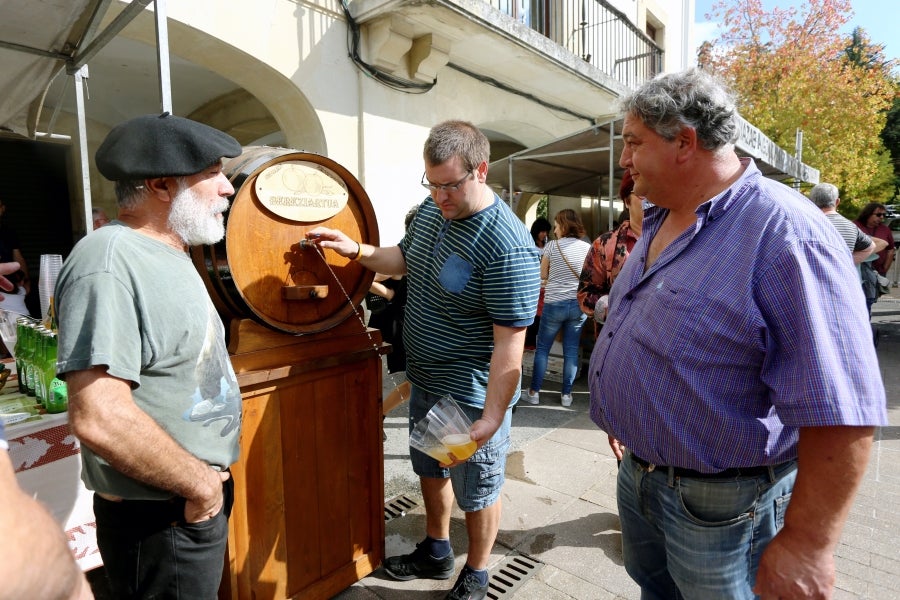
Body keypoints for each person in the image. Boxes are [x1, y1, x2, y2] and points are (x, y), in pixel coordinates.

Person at [588, 69, 886, 599]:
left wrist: (807, 544)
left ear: (685, 142)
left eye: (633, 142)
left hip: (722, 507)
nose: (623, 160)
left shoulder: (785, 232)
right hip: (643, 478)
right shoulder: (661, 218)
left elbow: (842, 410)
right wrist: (633, 414)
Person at [308, 120, 540, 600]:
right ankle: (437, 550)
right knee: (432, 468)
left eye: (449, 185)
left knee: (476, 488)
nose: (440, 196)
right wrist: (358, 251)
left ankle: (476, 572)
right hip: (427, 379)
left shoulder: (508, 248)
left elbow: (509, 346)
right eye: (431, 184)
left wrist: (493, 416)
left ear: (481, 170)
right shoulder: (433, 214)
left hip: (468, 393)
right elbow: (403, 260)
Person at [55, 113, 243, 599]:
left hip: (187, 501)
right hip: (162, 515)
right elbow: (99, 417)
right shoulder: (109, 260)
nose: (227, 188)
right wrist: (201, 487)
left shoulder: (171, 252)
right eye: (213, 173)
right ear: (161, 185)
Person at [524, 209, 590, 407]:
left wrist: (553, 278)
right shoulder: (587, 247)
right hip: (577, 306)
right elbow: (588, 277)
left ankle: (534, 392)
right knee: (571, 351)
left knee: (542, 349)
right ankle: (566, 396)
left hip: (554, 304)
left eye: (556, 225)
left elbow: (542, 274)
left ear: (563, 225)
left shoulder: (552, 247)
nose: (554, 230)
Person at [577, 170, 643, 336]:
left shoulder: (675, 240)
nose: (651, 200)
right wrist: (614, 307)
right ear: (627, 201)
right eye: (642, 194)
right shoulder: (604, 244)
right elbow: (586, 293)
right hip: (616, 338)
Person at [368, 205, 420, 417]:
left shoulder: (418, 254)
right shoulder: (405, 256)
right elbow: (368, 279)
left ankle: (377, 414)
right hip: (404, 323)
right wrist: (390, 294)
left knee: (414, 383)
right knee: (413, 383)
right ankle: (377, 414)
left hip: (411, 322)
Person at [810, 183, 885, 265]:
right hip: (841, 276)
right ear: (837, 202)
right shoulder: (851, 226)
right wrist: (847, 263)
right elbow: (870, 247)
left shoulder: (805, 224)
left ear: (811, 202)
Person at [524, 217, 552, 350]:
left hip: (545, 286)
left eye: (546, 231)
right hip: (534, 285)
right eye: (542, 231)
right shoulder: (530, 245)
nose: (544, 234)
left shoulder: (548, 245)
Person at [854, 202, 895, 278]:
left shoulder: (885, 229)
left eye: (884, 215)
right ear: (868, 214)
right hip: (858, 270)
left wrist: (884, 270)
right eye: (878, 215)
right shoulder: (854, 226)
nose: (882, 217)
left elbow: (891, 250)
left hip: (879, 272)